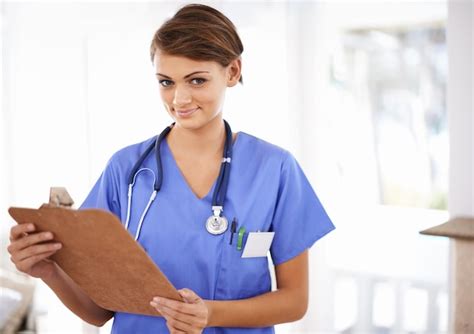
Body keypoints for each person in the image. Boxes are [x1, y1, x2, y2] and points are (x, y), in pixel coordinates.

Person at [7, 4, 335, 334]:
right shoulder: (126, 171)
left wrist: (210, 313)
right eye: (166, 82)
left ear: (232, 72)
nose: (179, 99)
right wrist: (48, 271)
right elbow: (99, 311)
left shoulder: (274, 169)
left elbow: (294, 301)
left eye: (196, 80)